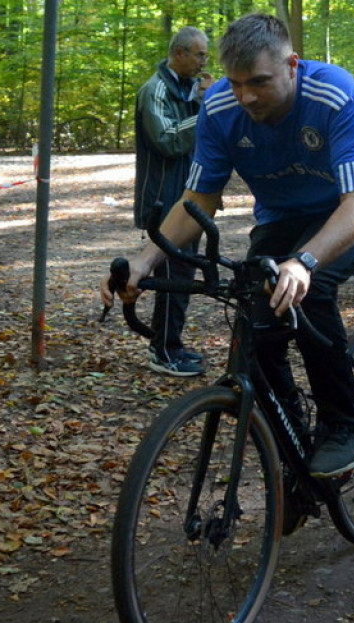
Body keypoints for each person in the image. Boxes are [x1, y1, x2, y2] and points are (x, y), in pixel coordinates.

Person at [101, 13, 354, 478]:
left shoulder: (334, 95)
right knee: (255, 324)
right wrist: (145, 260)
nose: (247, 97)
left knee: (310, 290)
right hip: (283, 214)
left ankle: (345, 425)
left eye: (259, 82)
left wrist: (304, 262)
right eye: (237, 83)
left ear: (292, 65)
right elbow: (197, 199)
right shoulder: (220, 107)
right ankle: (294, 451)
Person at [134, 27, 215, 377]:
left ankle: (171, 343)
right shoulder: (154, 91)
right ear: (178, 53)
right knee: (171, 274)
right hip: (163, 201)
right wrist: (204, 107)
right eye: (199, 54)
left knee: (183, 271)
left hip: (189, 198)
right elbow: (167, 140)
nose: (204, 62)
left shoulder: (186, 88)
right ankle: (163, 350)